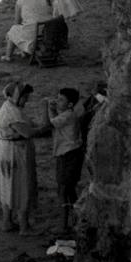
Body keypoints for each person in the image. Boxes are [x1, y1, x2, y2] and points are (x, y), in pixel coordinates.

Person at [0, 82, 46, 234]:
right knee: (22, 186)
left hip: (6, 149)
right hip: (15, 152)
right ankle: (24, 226)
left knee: (7, 186)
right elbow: (27, 133)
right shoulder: (13, 113)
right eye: (25, 97)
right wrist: (43, 128)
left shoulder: (10, 107)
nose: (27, 100)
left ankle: (7, 222)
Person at [43, 87, 84, 234]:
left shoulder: (68, 116)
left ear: (70, 104)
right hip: (70, 154)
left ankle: (64, 224)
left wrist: (47, 108)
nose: (57, 101)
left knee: (63, 189)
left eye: (61, 99)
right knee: (69, 188)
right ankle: (76, 217)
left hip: (68, 155)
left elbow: (50, 123)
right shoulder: (68, 114)